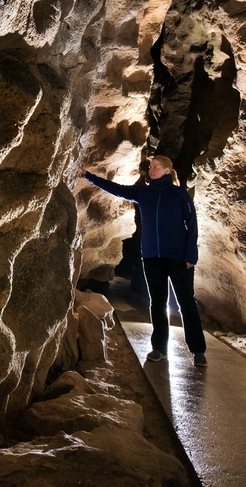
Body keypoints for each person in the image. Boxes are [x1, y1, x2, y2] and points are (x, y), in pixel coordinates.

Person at [80, 156, 208, 366]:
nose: (151, 170)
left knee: (187, 303)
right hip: (152, 257)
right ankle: (158, 348)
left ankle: (198, 351)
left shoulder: (179, 195)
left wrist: (191, 255)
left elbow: (192, 225)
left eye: (156, 167)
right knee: (157, 303)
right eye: (150, 167)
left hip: (178, 257)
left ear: (167, 171)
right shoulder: (144, 193)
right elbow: (117, 189)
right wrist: (91, 177)